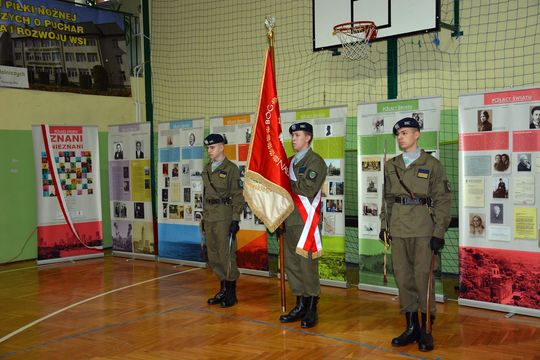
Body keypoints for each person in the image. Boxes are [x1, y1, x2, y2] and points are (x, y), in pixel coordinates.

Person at [379, 117, 451, 352]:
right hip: (398, 228)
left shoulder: (431, 164)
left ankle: (426, 329)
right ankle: (411, 326)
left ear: (417, 134)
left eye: (406, 132)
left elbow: (442, 200)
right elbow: (387, 199)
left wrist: (439, 232)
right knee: (403, 278)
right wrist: (384, 225)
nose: (401, 137)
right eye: (398, 133)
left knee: (423, 278)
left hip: (423, 229)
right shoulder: (391, 165)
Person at [279, 122, 327, 329]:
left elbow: (307, 189)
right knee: (292, 264)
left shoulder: (315, 161)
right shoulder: (288, 162)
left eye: (297, 135)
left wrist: (283, 182)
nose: (293, 139)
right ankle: (299, 302)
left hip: (306, 220)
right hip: (289, 219)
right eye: (292, 135)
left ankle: (311, 306)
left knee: (307, 265)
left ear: (308, 138)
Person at [202, 133, 244, 308]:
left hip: (224, 217)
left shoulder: (231, 169)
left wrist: (235, 219)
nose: (209, 151)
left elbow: (237, 195)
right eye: (208, 148)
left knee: (226, 254)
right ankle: (223, 288)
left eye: (212, 147)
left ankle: (231, 292)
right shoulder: (206, 168)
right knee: (213, 255)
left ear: (221, 147)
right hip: (210, 216)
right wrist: (203, 218)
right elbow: (205, 195)